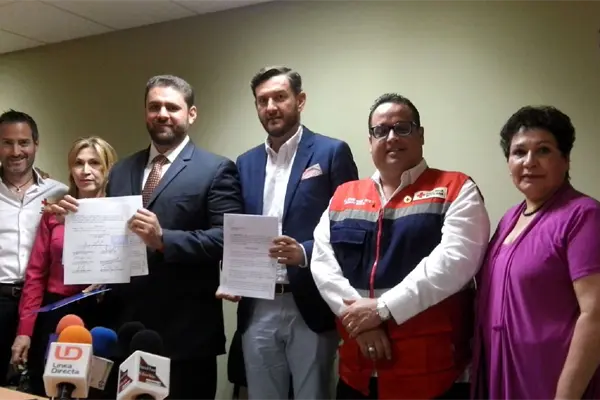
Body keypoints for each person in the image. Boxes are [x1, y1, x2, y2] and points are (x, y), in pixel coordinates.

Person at [48, 75, 244, 399]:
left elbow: (227, 239)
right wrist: (78, 220)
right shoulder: (122, 169)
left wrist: (164, 239)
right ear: (145, 113)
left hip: (185, 336)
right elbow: (112, 237)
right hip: (126, 330)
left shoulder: (216, 169)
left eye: (172, 107)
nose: (162, 114)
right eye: (154, 107)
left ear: (191, 114)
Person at [310, 93, 491, 400]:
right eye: (381, 131)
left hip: (434, 373)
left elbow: (455, 262)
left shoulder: (456, 188)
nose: (391, 137)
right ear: (370, 141)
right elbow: (323, 265)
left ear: (421, 135)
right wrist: (361, 323)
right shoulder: (343, 195)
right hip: (358, 371)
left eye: (402, 128)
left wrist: (381, 310)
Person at [218, 66, 359, 400]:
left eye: (279, 97)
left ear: (300, 100)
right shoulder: (245, 162)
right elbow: (239, 227)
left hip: (310, 300)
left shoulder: (331, 152)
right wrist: (233, 274)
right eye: (262, 100)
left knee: (313, 395)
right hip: (258, 303)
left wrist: (305, 252)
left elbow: (350, 227)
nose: (271, 107)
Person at [470, 106, 600, 400]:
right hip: (500, 374)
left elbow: (595, 314)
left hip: (551, 380)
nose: (529, 162)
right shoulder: (509, 219)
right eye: (519, 152)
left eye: (543, 150)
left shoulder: (583, 216)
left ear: (565, 159)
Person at [10, 136, 118, 396]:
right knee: (48, 388)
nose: (85, 170)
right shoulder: (55, 213)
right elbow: (36, 276)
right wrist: (25, 331)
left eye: (95, 163)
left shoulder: (121, 213)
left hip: (102, 314)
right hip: (56, 313)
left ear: (108, 168)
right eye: (78, 163)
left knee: (96, 391)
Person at [0, 110, 68, 387]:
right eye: (7, 143)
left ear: (36, 145)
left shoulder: (60, 193)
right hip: (1, 299)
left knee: (39, 384)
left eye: (24, 143)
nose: (16, 151)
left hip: (43, 304)